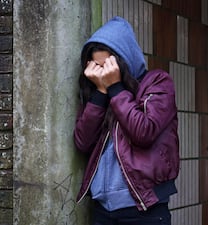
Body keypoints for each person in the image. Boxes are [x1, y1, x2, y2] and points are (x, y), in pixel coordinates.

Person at [73, 16, 179, 225]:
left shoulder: (158, 82)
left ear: (124, 61)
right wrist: (101, 93)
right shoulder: (101, 93)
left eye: (109, 66)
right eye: (98, 67)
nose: (104, 73)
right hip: (103, 210)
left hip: (144, 210)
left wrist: (115, 89)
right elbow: (83, 142)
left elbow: (144, 132)